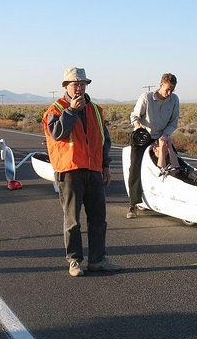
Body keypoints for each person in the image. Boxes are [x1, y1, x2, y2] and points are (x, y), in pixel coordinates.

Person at [43, 67, 122, 277]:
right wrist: (71, 111)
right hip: (70, 172)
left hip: (94, 170)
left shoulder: (95, 109)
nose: (79, 88)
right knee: (73, 220)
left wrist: (105, 165)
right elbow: (57, 133)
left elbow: (104, 139)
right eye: (75, 84)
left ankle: (97, 260)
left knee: (98, 219)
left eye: (82, 84)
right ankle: (74, 261)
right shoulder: (56, 109)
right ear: (66, 86)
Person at [127, 73, 179, 219]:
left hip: (161, 136)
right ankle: (133, 204)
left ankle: (172, 197)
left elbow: (173, 123)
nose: (169, 93)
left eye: (172, 90)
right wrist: (138, 126)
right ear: (161, 85)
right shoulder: (147, 98)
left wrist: (164, 136)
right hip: (142, 136)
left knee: (174, 163)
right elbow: (134, 116)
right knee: (135, 168)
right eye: (167, 89)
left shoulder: (174, 100)